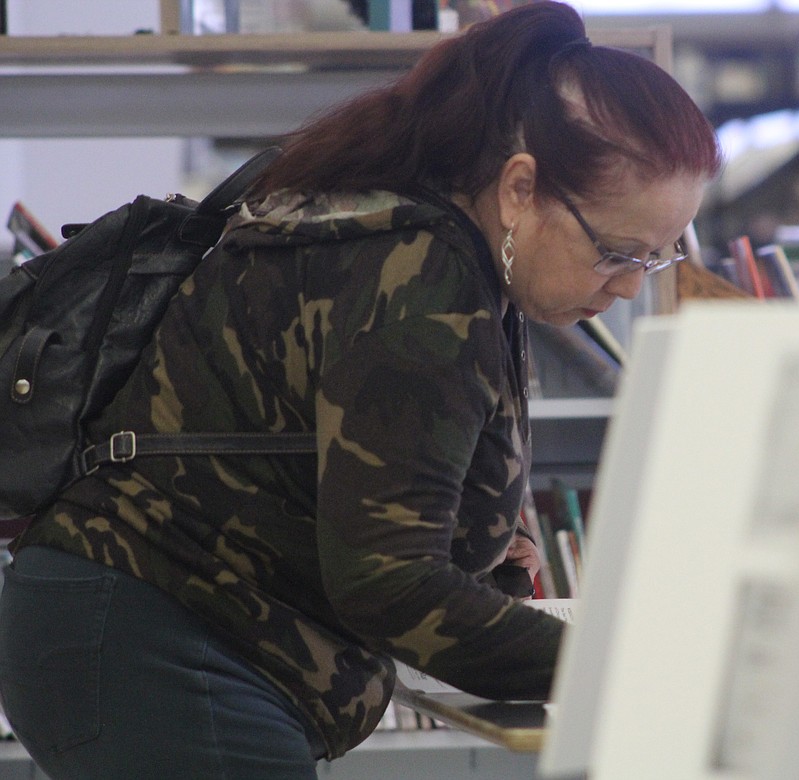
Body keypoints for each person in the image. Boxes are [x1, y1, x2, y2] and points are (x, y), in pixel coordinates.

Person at [0, 2, 722, 777]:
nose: (625, 290)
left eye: (653, 260)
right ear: (521, 189)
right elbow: (391, 585)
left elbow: (361, 490)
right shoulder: (421, 280)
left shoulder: (437, 246)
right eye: (617, 252)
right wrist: (638, 663)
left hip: (150, 627)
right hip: (161, 641)